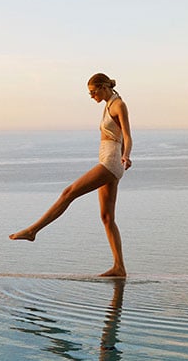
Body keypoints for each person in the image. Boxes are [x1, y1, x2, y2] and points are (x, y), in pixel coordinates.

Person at [9, 73, 133, 277]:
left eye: (93, 92)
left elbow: (127, 136)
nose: (91, 96)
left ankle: (33, 231)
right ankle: (119, 267)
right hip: (108, 161)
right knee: (107, 217)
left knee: (69, 192)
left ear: (103, 87)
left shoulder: (119, 105)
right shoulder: (108, 103)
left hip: (111, 162)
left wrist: (126, 156)